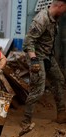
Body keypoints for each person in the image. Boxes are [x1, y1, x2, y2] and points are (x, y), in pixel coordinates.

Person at [21, 0, 66, 129]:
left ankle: (62, 114)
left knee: (59, 80)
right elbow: (28, 41)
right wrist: (34, 60)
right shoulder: (41, 19)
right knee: (38, 89)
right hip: (36, 56)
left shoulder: (54, 18)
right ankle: (26, 120)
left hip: (48, 56)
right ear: (60, 6)